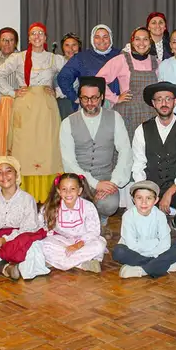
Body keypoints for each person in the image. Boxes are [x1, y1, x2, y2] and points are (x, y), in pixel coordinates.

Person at [0, 22, 66, 203]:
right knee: (24, 150)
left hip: (46, 109)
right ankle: (25, 198)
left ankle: (48, 198)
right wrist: (11, 92)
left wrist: (59, 92)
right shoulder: (19, 58)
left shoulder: (54, 59)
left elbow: (73, 76)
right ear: (29, 38)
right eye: (33, 34)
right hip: (24, 108)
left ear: (45, 37)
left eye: (41, 33)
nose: (37, 37)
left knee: (47, 150)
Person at [59, 77, 131, 234]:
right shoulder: (67, 123)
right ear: (79, 98)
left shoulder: (114, 118)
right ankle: (84, 224)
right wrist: (93, 184)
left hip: (106, 177)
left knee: (109, 205)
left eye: (94, 98)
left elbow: (125, 151)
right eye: (85, 98)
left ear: (102, 97)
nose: (90, 102)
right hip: (78, 180)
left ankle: (101, 219)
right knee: (71, 205)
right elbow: (68, 161)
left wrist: (112, 183)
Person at [131, 82, 176, 238]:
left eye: (168, 99)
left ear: (175, 102)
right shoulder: (142, 130)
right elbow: (138, 166)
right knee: (147, 227)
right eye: (159, 99)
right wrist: (146, 193)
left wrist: (169, 193)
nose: (164, 103)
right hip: (150, 185)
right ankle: (155, 226)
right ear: (153, 103)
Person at [112, 180, 176, 278]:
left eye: (149, 198)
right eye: (139, 198)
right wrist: (155, 244)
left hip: (156, 251)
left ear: (156, 200)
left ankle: (143, 270)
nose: (144, 202)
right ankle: (163, 265)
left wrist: (155, 249)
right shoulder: (128, 216)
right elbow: (132, 245)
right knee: (119, 252)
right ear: (133, 199)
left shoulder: (160, 215)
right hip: (135, 252)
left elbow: (165, 242)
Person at [95, 27, 159, 139]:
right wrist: (115, 98)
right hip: (127, 113)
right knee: (126, 149)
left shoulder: (157, 62)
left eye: (145, 39)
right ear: (132, 42)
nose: (141, 43)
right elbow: (98, 80)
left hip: (151, 114)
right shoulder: (121, 60)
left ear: (150, 43)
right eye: (137, 39)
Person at [40, 173, 107, 272]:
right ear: (59, 191)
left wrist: (77, 245)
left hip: (83, 243)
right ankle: (81, 264)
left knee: (100, 245)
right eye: (64, 189)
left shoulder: (88, 207)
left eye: (72, 189)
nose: (68, 193)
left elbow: (94, 231)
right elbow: (41, 225)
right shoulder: (51, 207)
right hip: (62, 242)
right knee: (44, 245)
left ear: (79, 190)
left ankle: (58, 262)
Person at [57, 24, 121, 112]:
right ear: (92, 39)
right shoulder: (82, 57)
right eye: (97, 37)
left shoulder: (121, 55)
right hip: (89, 107)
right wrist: (75, 97)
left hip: (117, 106)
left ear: (110, 37)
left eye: (105, 36)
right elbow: (63, 77)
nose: (101, 40)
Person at [0, 27, 19, 156]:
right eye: (4, 40)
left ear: (15, 43)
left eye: (11, 40)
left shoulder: (22, 58)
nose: (7, 43)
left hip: (17, 105)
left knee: (16, 142)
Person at [56, 32, 82, 119]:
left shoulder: (84, 62)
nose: (71, 48)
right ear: (62, 48)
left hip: (81, 103)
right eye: (67, 45)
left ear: (79, 46)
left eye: (74, 45)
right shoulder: (56, 62)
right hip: (62, 102)